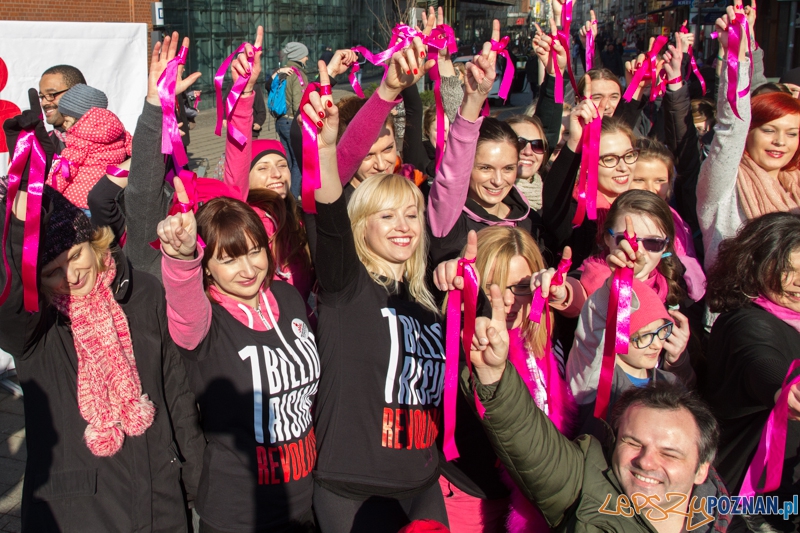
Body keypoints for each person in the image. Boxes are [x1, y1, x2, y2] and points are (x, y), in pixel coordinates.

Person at [0, 110, 203, 531]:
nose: (70, 277)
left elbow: (175, 392)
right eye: (51, 271)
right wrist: (20, 222)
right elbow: (7, 301)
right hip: (79, 510)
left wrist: (197, 478)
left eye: (75, 257)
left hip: (161, 499)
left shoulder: (140, 291)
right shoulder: (36, 326)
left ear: (95, 243)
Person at [450, 277, 729, 532]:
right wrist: (493, 375)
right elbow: (529, 439)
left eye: (669, 453)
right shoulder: (585, 485)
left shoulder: (725, 516)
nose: (646, 461)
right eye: (632, 442)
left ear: (702, 467)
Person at [304, 55, 450, 532]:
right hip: (352, 486)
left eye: (410, 214)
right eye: (386, 216)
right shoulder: (346, 283)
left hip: (423, 481)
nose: (402, 226)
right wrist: (327, 152)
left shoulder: (427, 295)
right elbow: (327, 210)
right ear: (361, 225)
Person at [157, 176, 319, 532]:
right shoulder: (202, 324)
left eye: (254, 252)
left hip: (304, 501)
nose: (248, 271)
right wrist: (180, 256)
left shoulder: (289, 299)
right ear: (208, 268)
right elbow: (183, 293)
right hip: (238, 514)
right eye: (229, 260)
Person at [432, 229, 577, 533]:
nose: (508, 300)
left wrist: (567, 292)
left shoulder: (546, 338)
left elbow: (592, 309)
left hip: (531, 507)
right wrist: (450, 275)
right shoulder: (461, 339)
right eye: (491, 288)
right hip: (468, 498)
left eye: (522, 286)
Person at [703, 212, 800, 533]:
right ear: (754, 264)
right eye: (786, 270)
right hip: (745, 503)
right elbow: (759, 360)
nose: (797, 282)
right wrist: (783, 390)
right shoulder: (746, 321)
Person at [46, 84, 132, 211]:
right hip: (106, 200)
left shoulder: (80, 141)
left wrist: (46, 194)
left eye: (66, 120)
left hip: (76, 202)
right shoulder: (121, 133)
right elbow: (137, 150)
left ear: (81, 118)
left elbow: (64, 173)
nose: (63, 124)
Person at [276, 41, 310, 199]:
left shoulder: (283, 72)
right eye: (305, 55)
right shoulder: (297, 74)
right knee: (299, 161)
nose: (307, 58)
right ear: (298, 56)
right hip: (292, 121)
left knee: (288, 160)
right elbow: (299, 101)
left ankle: (284, 193)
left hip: (280, 120)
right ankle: (292, 198)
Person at [38, 64, 86, 154]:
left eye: (51, 94)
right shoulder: (43, 144)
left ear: (78, 92)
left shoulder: (111, 137)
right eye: (41, 97)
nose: (43, 103)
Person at [506, 115, 548, 211]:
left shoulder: (549, 196)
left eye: (538, 145)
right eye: (519, 143)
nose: (528, 152)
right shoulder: (491, 198)